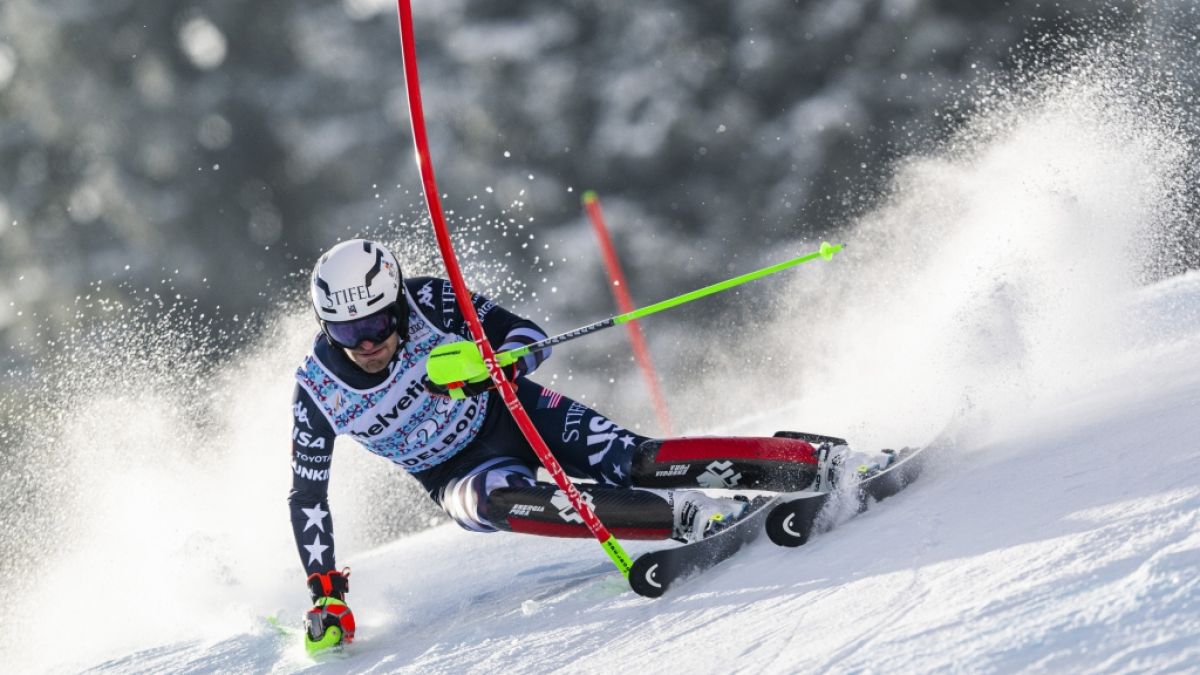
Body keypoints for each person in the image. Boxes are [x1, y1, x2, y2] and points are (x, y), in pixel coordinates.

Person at [289, 239, 827, 652]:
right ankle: (689, 518)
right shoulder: (318, 390)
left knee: (633, 460)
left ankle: (801, 461)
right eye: (346, 330)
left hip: (515, 413)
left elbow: (526, 335)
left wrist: (493, 367)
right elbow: (307, 497)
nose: (366, 343)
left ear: (397, 306)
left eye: (378, 322)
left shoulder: (428, 299)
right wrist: (326, 593)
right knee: (498, 503)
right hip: (454, 477)